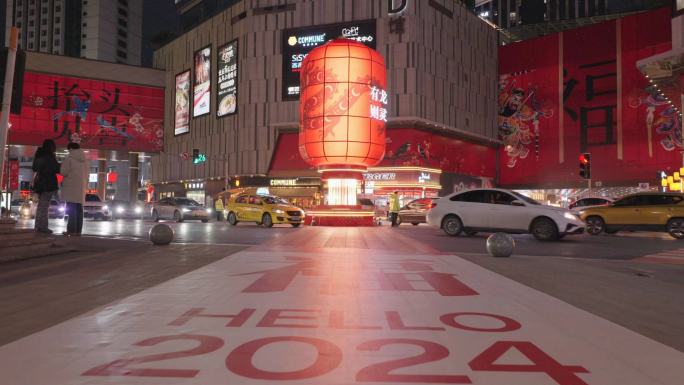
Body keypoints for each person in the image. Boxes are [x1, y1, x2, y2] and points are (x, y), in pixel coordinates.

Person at [32, 139, 60, 234]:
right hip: (48, 184)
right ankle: (42, 227)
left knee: (41, 206)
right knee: (44, 206)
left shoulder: (39, 155)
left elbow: (34, 168)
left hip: (40, 184)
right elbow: (56, 169)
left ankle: (38, 226)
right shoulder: (49, 157)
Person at [60, 142, 88, 236]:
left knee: (71, 210)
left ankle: (71, 230)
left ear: (71, 149)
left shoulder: (70, 158)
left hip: (71, 187)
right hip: (81, 188)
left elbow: (63, 172)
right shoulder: (84, 160)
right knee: (79, 209)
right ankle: (78, 231)